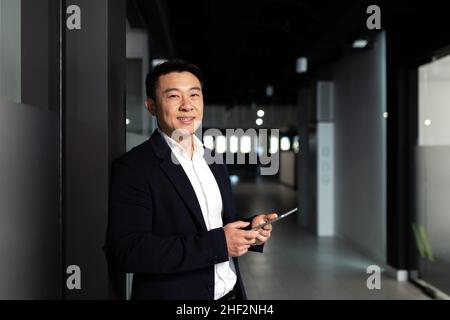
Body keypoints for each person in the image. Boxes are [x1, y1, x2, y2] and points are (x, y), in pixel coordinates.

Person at [105, 60, 277, 300]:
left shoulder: (213, 159)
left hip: (231, 296)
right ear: (151, 106)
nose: (187, 106)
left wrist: (250, 228)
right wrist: (219, 245)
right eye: (174, 96)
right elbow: (129, 251)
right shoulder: (134, 167)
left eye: (194, 95)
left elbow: (214, 222)